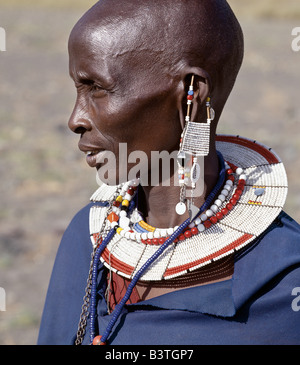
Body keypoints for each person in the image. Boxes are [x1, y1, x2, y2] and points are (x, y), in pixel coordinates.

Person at [38, 0, 300, 345]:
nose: (76, 119)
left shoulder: (282, 283)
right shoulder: (88, 238)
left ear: (190, 95)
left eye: (97, 88)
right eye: (78, 88)